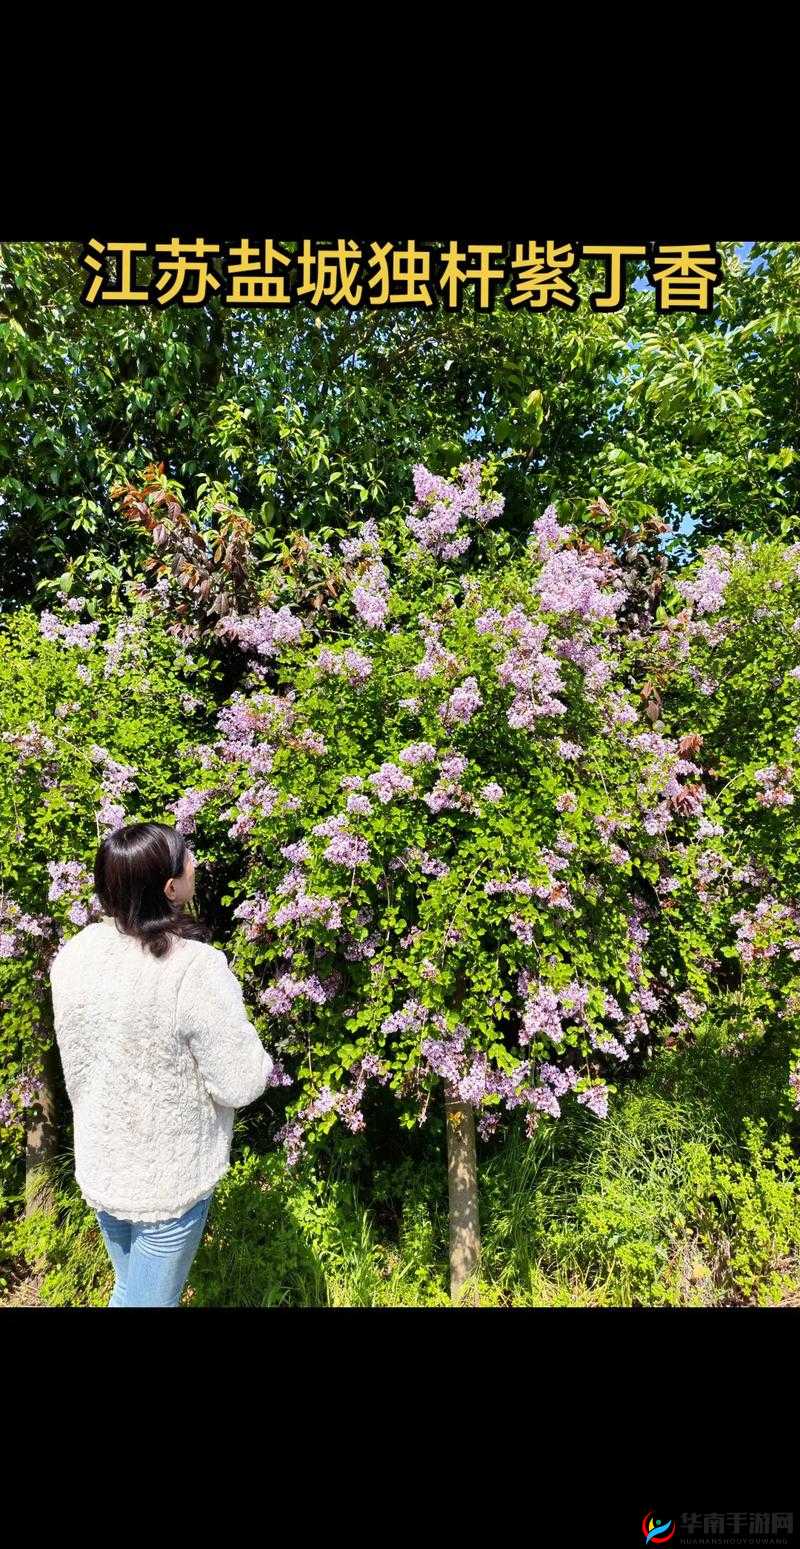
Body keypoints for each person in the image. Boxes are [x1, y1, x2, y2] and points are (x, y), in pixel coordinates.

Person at [48, 821, 273, 1307]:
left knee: (130, 1289)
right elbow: (241, 1081)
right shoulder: (195, 968)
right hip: (167, 1183)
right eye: (187, 857)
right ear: (171, 887)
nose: (196, 862)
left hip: (105, 1166)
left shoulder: (75, 954)